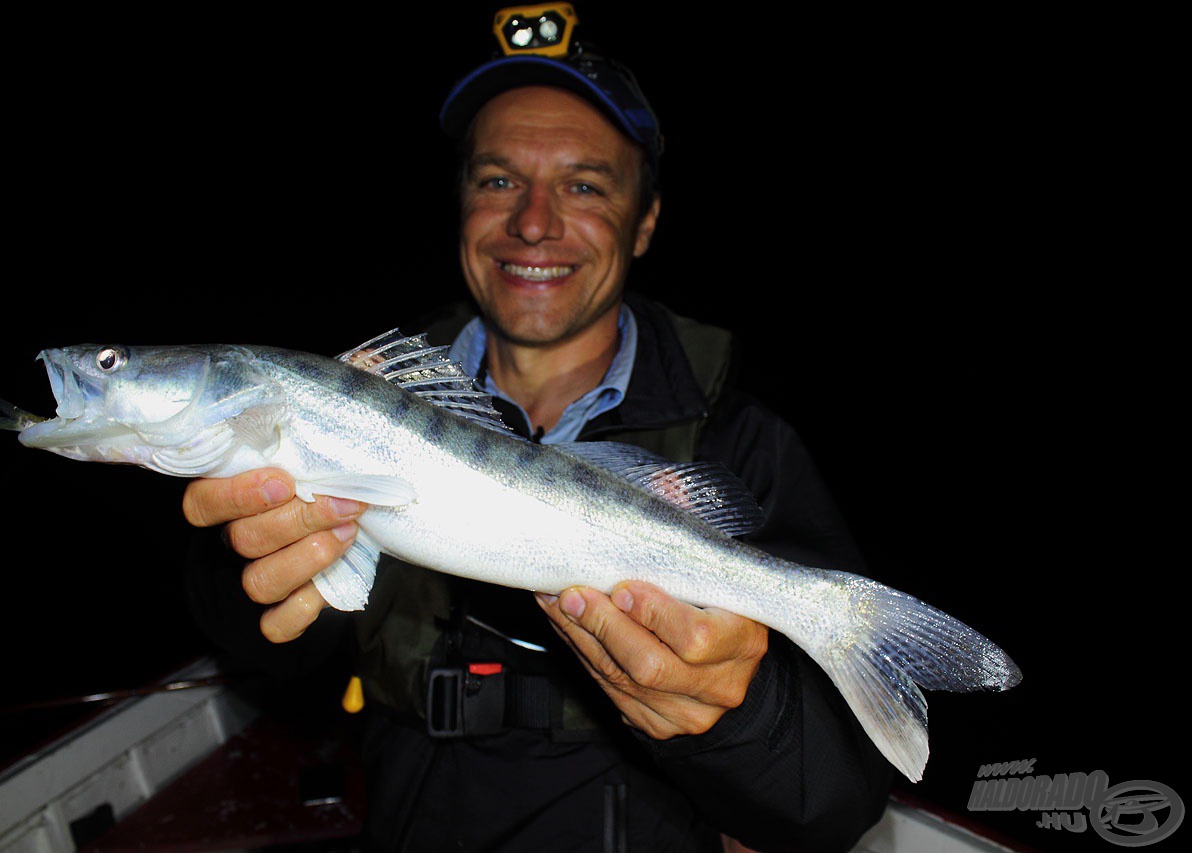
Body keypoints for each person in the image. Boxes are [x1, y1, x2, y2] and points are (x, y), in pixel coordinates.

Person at [183, 15, 893, 852]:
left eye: (586, 186)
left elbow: (843, 800)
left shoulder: (745, 444)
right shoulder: (357, 401)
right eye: (496, 181)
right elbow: (282, 668)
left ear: (646, 221)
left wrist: (747, 713)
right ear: (459, 205)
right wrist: (243, 575)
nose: (532, 222)